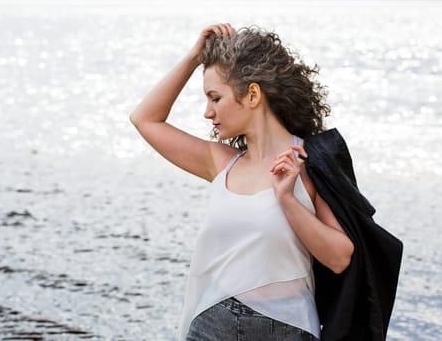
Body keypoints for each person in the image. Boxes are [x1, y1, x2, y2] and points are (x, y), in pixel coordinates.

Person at [130, 23, 355, 341]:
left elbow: (340, 257)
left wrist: (288, 199)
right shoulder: (221, 162)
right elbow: (145, 119)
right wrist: (195, 57)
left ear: (252, 94)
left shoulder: (312, 161)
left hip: (287, 328)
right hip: (211, 324)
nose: (208, 112)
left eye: (215, 98)